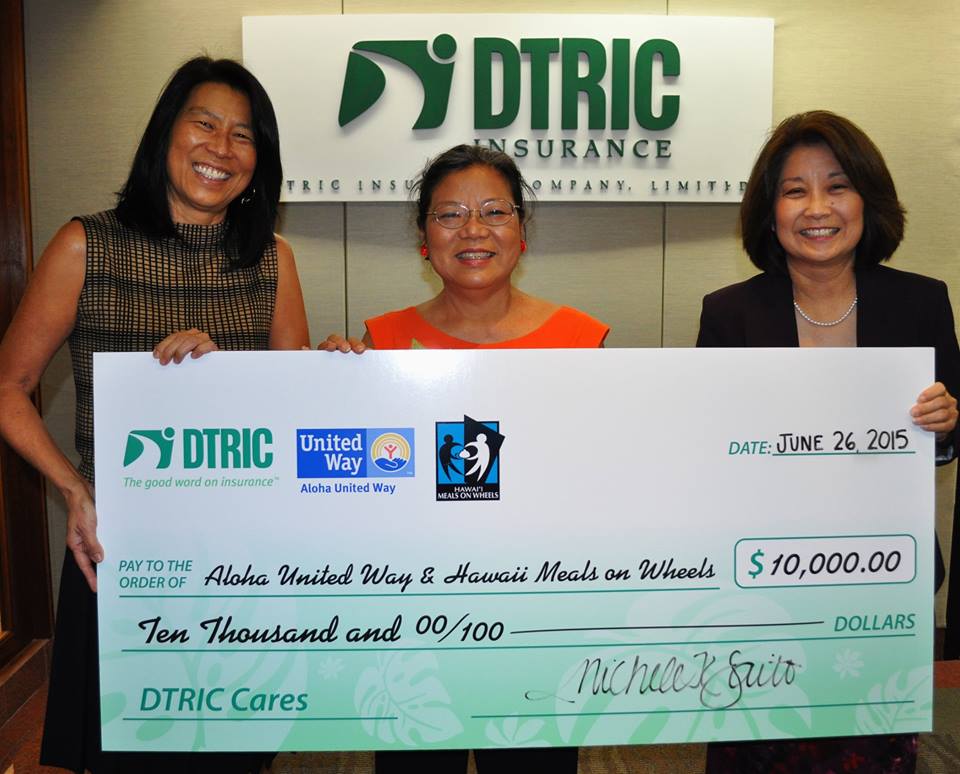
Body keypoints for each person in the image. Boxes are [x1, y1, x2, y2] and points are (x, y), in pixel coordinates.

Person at [0, 56, 309, 773]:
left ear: (258, 162)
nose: (220, 148)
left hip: (243, 557)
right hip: (120, 549)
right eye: (204, 124)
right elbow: (9, 387)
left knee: (235, 754)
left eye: (243, 135)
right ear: (165, 132)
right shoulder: (85, 244)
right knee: (130, 752)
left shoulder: (274, 258)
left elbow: (292, 404)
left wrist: (242, 375)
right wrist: (74, 491)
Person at [324, 144, 607, 772]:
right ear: (423, 239)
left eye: (494, 212)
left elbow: (602, 482)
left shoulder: (582, 341)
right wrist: (330, 390)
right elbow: (353, 490)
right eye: (450, 215)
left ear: (522, 232)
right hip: (415, 629)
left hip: (538, 623)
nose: (473, 229)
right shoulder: (380, 344)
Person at [697, 110, 959, 774]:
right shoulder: (729, 312)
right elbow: (706, 452)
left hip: (881, 584)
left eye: (837, 186)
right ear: (770, 211)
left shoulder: (922, 303)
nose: (817, 208)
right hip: (760, 588)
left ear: (867, 200)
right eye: (795, 191)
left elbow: (948, 441)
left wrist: (945, 423)